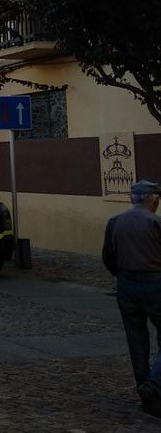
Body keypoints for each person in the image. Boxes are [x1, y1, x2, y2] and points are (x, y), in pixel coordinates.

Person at [102, 179, 161, 417]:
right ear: (153, 201)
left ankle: (145, 390)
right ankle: (154, 385)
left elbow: (108, 256)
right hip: (155, 282)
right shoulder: (155, 223)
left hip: (126, 284)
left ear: (131, 199)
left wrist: (122, 275)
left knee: (136, 341)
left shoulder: (115, 222)